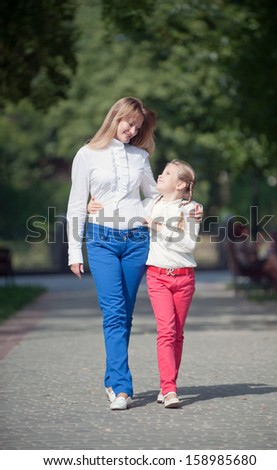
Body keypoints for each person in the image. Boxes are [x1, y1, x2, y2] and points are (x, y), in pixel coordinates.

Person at [67, 97, 202, 411]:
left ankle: (112, 378)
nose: (131, 131)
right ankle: (122, 387)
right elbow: (76, 205)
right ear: (115, 117)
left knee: (124, 315)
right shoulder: (86, 155)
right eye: (129, 123)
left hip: (137, 241)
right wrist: (75, 249)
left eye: (138, 127)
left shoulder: (140, 156)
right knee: (113, 312)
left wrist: (189, 207)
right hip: (100, 239)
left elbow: (158, 196)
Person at [145, 159, 200, 408]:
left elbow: (188, 245)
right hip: (157, 277)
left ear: (180, 184)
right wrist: (93, 207)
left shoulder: (191, 209)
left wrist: (157, 227)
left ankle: (167, 383)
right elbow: (120, 210)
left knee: (177, 334)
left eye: (167, 173)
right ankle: (169, 389)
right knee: (166, 331)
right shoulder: (150, 204)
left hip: (184, 278)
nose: (160, 175)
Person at [233, 222, 277, 292]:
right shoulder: (241, 243)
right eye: (246, 230)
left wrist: (258, 244)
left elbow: (251, 252)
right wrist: (259, 243)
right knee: (272, 261)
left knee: (271, 264)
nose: (248, 231)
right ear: (241, 231)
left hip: (249, 265)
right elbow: (248, 257)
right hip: (249, 267)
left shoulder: (240, 242)